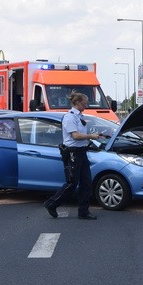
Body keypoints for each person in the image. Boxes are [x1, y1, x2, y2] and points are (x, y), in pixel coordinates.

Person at [44, 92, 106, 220]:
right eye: (85, 103)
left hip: (81, 152)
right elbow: (75, 136)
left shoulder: (79, 117)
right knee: (72, 183)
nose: (86, 105)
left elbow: (82, 136)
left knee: (86, 183)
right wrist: (91, 136)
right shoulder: (70, 117)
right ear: (77, 103)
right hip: (73, 153)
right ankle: (51, 203)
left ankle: (83, 211)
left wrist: (95, 138)